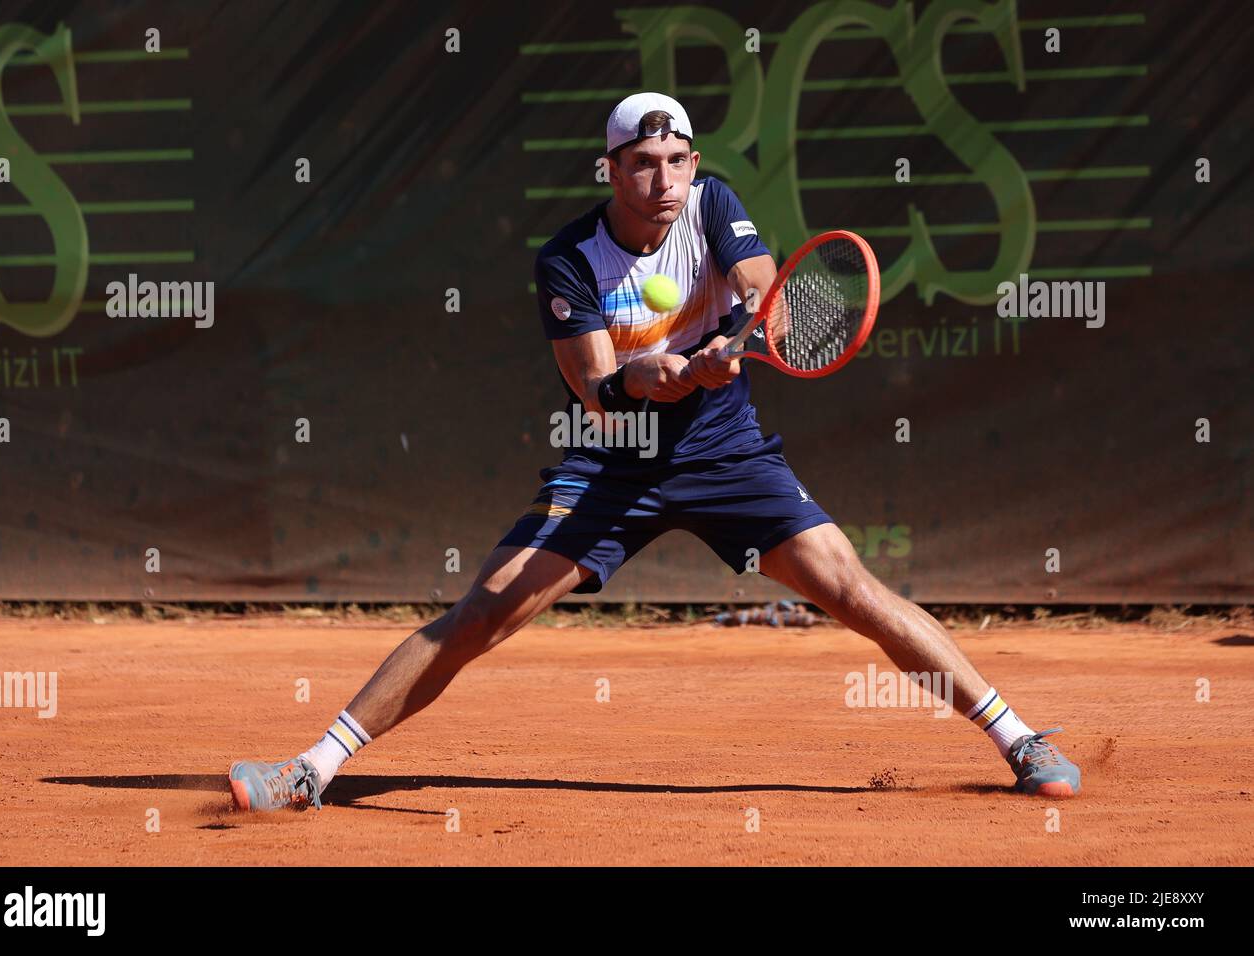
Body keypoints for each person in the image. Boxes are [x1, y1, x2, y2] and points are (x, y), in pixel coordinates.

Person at [228, 92, 1080, 812]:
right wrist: (655, 372)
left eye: (677, 161)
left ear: (695, 164)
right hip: (611, 461)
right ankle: (311, 770)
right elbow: (597, 388)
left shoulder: (713, 205)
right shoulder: (568, 259)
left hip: (726, 454)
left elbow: (762, 289)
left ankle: (1020, 740)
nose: (663, 179)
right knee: (484, 610)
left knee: (852, 587)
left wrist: (736, 340)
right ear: (610, 169)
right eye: (643, 163)